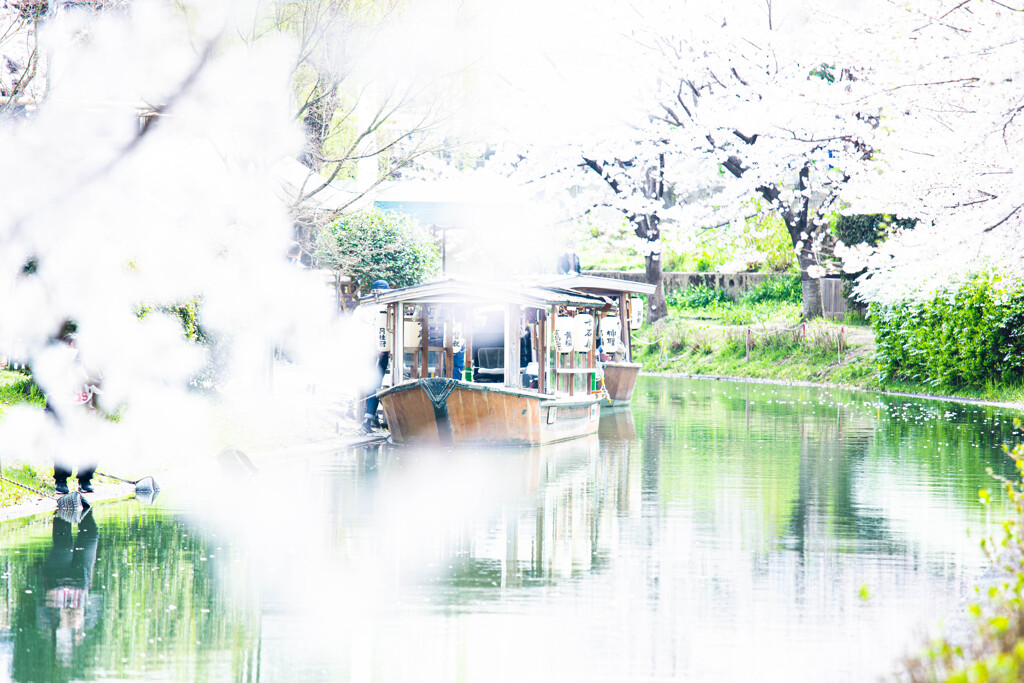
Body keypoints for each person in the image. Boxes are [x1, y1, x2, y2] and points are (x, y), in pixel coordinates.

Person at [45, 327, 100, 495]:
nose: (72, 350)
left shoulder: (88, 365)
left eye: (75, 347)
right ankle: (61, 481)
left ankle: (85, 479)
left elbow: (100, 386)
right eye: (69, 346)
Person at [361, 280, 391, 433]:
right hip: (381, 351)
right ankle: (368, 418)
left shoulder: (363, 307)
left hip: (365, 350)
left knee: (369, 381)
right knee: (375, 382)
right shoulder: (388, 305)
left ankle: (369, 417)